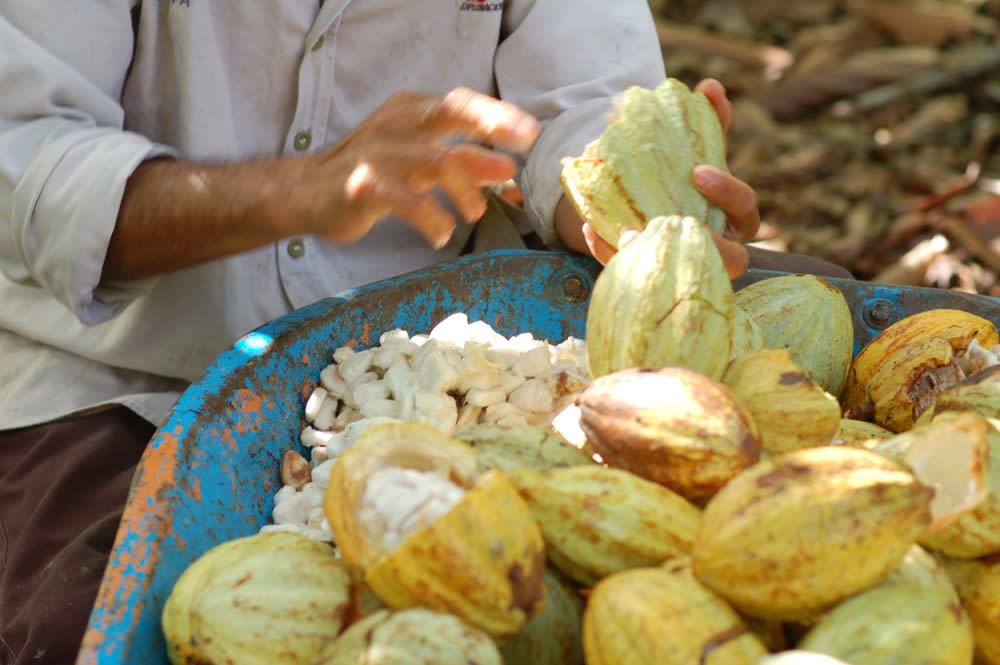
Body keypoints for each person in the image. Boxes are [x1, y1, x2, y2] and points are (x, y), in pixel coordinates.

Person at [0, 2, 849, 664]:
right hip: (123, 379)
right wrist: (291, 190)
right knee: (90, 620)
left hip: (452, 352)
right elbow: (25, 162)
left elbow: (581, 102)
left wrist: (622, 193)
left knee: (831, 300)